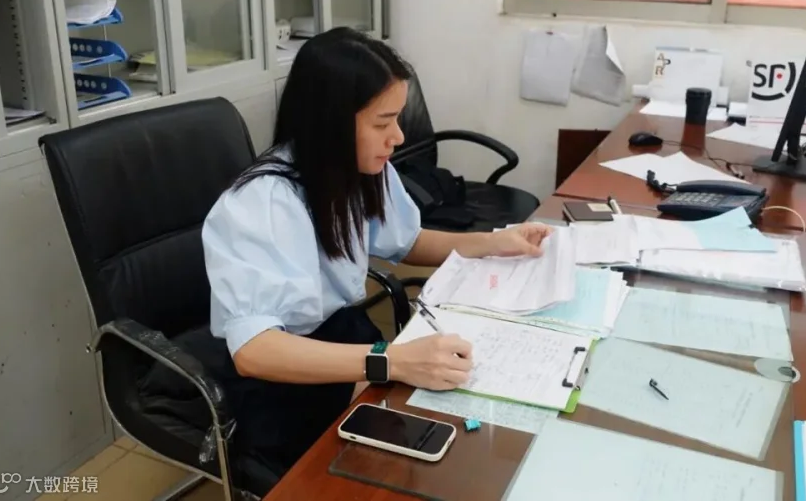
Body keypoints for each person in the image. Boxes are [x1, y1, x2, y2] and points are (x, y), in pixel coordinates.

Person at [200, 27, 551, 489]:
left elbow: (407, 242)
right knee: (368, 478)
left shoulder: (360, 169)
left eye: (397, 120)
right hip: (281, 379)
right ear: (331, 123)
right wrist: (392, 362)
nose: (398, 137)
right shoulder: (262, 203)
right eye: (383, 123)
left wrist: (495, 242)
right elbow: (255, 352)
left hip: (344, 340)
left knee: (447, 443)